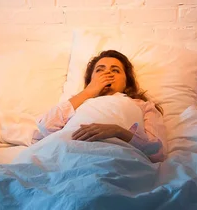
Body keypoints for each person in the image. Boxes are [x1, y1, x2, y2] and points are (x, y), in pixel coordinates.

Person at [33, 50, 166, 163]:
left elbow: (157, 152)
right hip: (68, 153)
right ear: (91, 79)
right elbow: (46, 126)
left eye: (115, 70)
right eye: (99, 70)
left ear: (127, 81)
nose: (107, 74)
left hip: (118, 157)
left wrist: (119, 132)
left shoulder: (143, 106)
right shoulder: (79, 101)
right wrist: (88, 92)